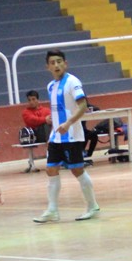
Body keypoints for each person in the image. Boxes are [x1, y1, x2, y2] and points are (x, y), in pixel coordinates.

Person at [32, 50, 100, 223]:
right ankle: (52, 210)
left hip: (72, 136)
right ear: (47, 67)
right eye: (53, 62)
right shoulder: (50, 86)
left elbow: (83, 106)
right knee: (51, 169)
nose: (56, 65)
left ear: (65, 63)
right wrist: (52, 123)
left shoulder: (72, 82)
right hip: (57, 137)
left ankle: (92, 206)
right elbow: (59, 110)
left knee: (77, 170)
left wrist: (68, 123)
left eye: (59, 61)